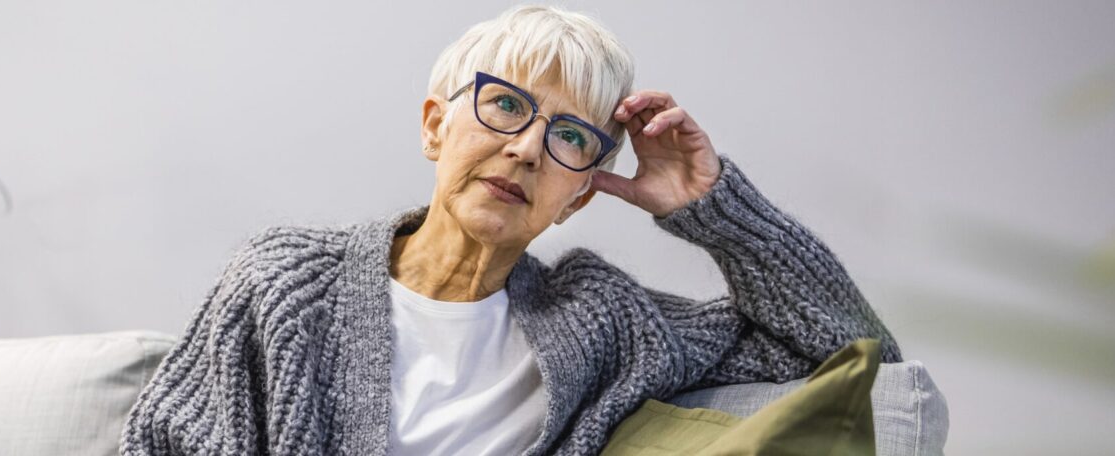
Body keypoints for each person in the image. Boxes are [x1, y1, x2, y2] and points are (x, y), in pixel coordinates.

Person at [121, 5, 901, 455]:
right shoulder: (285, 282)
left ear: (578, 197)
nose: (527, 147)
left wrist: (713, 208)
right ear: (435, 126)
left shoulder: (603, 323)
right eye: (504, 105)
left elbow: (843, 349)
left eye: (569, 138)